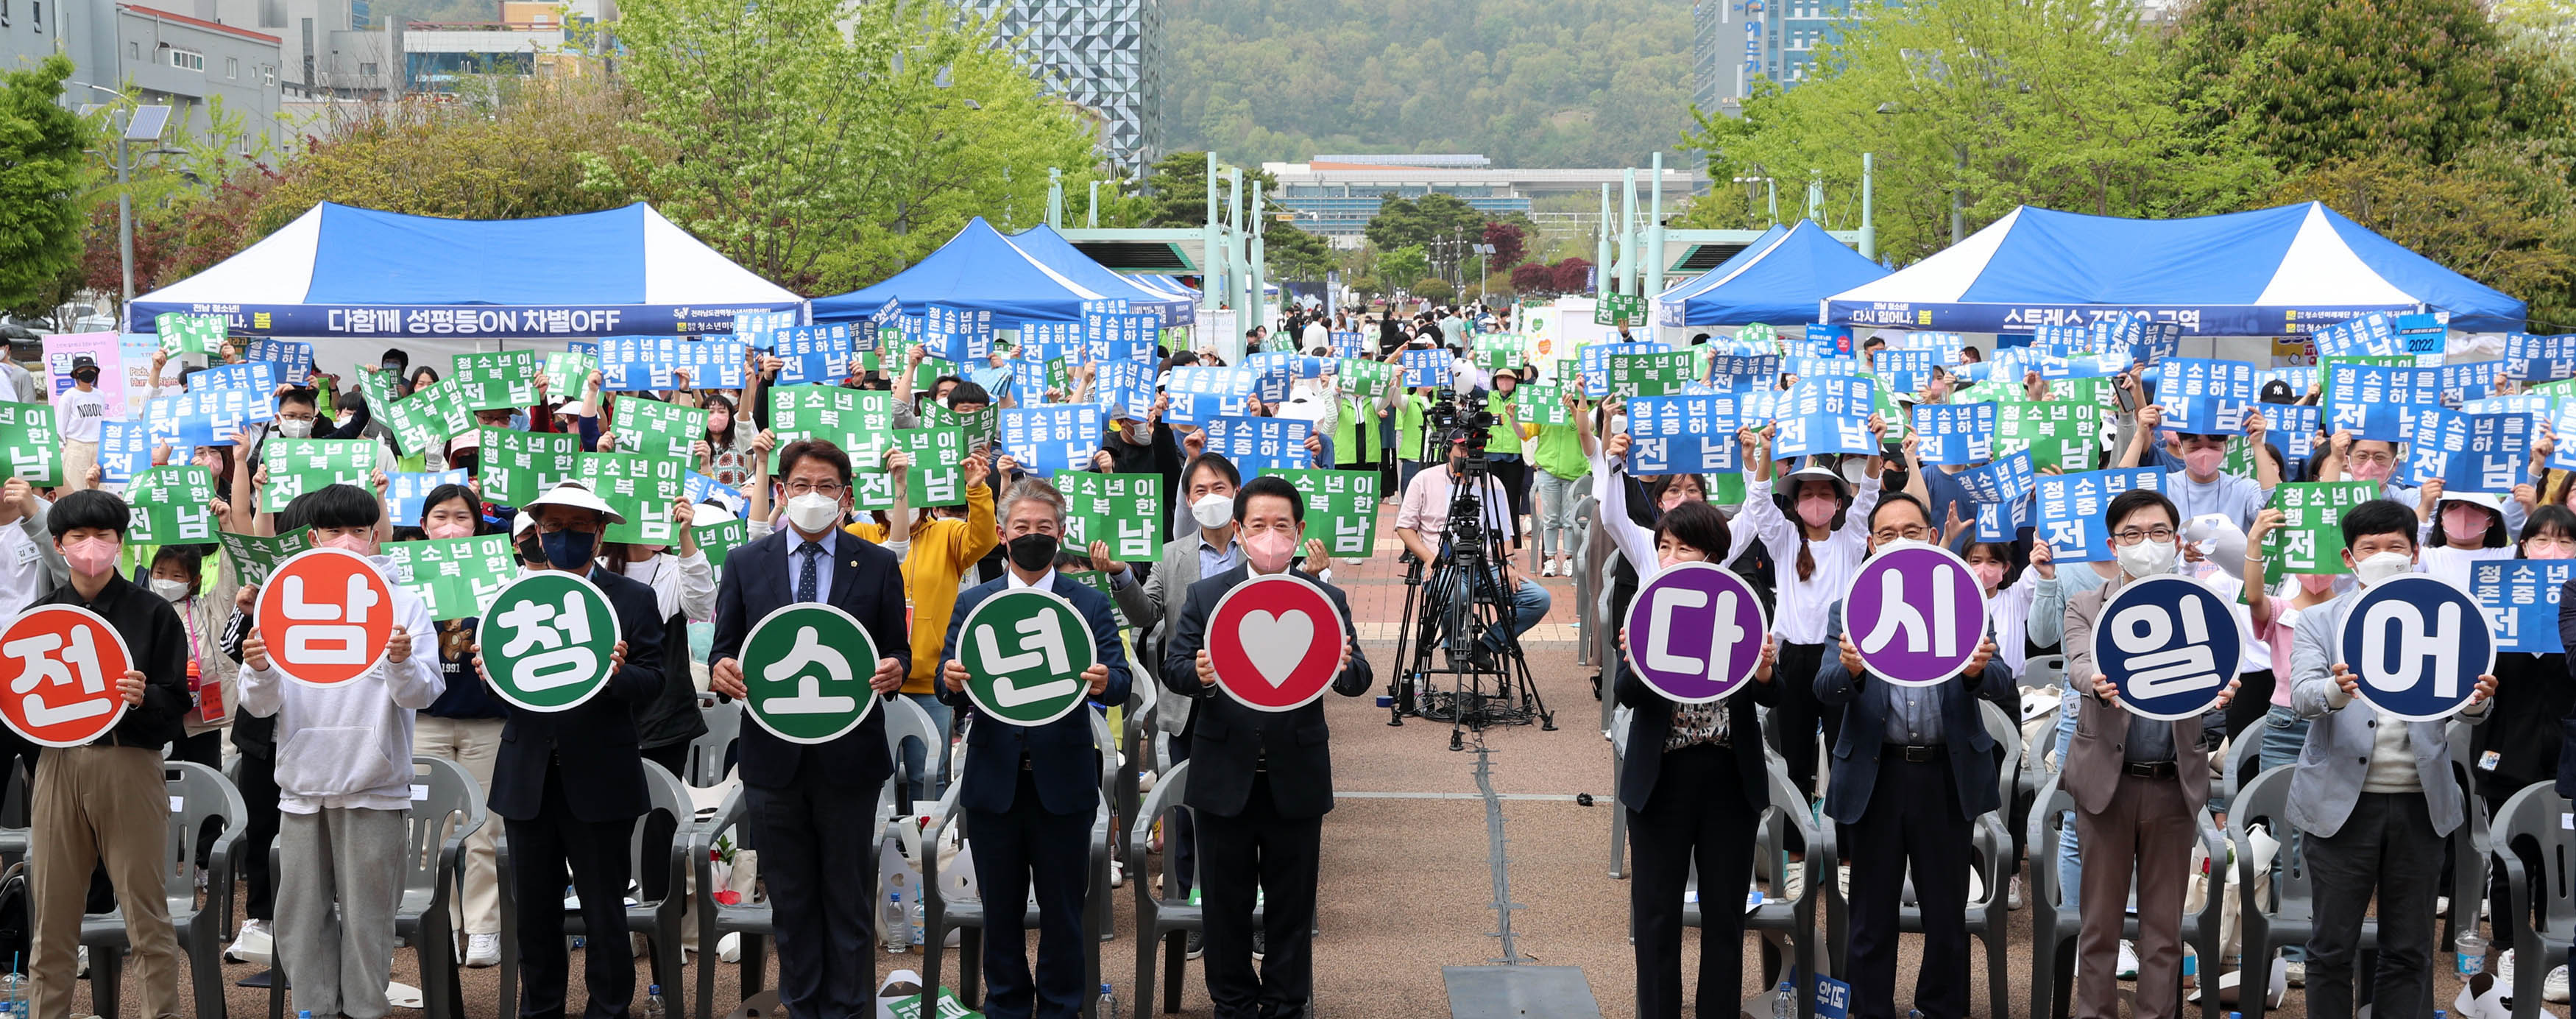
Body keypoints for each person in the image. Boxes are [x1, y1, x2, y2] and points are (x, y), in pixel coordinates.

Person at [709, 437, 910, 1019]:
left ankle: (848, 1010)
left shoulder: (875, 562)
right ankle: (800, 1007)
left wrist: (896, 667)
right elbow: (727, 651)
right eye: (801, 485)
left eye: (826, 487)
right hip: (773, 760)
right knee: (792, 902)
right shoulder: (747, 563)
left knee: (845, 900)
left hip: (848, 760)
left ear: (846, 497)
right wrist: (724, 670)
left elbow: (897, 651)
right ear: (781, 491)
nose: (813, 497)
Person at [1162, 475, 1372, 1019]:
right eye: (1258, 525)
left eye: (1283, 526)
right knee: (1225, 907)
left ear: (1300, 532)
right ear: (1238, 530)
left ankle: (1284, 1003)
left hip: (1295, 776)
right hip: (1223, 776)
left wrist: (1347, 666)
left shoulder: (1325, 598)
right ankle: (1231, 1004)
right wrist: (1201, 675)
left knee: (1291, 907)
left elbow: (1358, 678)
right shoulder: (1208, 595)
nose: (1271, 536)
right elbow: (1176, 667)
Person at [1590, 435, 1780, 1019]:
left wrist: (1768, 671)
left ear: (1714, 553)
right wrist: (1636, 653)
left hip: (1729, 776)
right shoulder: (1648, 604)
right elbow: (1624, 694)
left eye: (1685, 548)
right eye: (1665, 547)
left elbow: (1770, 692)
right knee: (1656, 917)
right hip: (1661, 774)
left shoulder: (1742, 601)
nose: (1672, 558)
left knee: (1725, 917)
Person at [2287, 497, 2498, 1019]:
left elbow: (2464, 714)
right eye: (2371, 548)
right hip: (2340, 806)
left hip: (2421, 806)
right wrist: (2336, 691)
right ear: (2349, 557)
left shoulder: (2447, 614)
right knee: (2331, 946)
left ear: (2416, 552)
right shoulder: (2319, 619)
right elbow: (2302, 696)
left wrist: (2478, 703)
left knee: (2409, 949)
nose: (2384, 555)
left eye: (2395, 547)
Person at [238, 484, 444, 1019]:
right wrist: (259, 669)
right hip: (302, 788)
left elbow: (423, 692)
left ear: (375, 534)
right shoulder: (280, 598)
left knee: (369, 921)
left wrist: (400, 661)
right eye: (334, 531)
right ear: (313, 537)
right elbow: (258, 704)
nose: (347, 540)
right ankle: (312, 1012)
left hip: (374, 787)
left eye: (359, 529)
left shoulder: (403, 603)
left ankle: (366, 1012)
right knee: (300, 919)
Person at [1814, 492, 2014, 1019]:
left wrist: (1976, 671)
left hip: (1946, 777)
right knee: (1869, 918)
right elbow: (1824, 686)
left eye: (1910, 530)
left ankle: (1940, 1009)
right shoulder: (1851, 604)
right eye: (1886, 533)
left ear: (1930, 536)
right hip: (1876, 777)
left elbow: (2002, 680)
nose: (1898, 541)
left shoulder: (1962, 595)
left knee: (1947, 918)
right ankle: (1869, 1010)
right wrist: (1851, 670)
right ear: (1871, 543)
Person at [938, 479, 1131, 1019]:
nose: (1032, 536)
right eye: (1021, 527)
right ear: (1002, 534)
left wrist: (1102, 682)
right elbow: (943, 682)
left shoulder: (1086, 601)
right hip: (994, 782)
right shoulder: (975, 602)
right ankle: (1006, 1006)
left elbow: (1120, 680)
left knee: (1064, 912)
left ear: (1062, 533)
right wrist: (950, 681)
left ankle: (1062, 1008)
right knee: (999, 911)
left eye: (1044, 528)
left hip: (1063, 783)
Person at [481, 479, 665, 1019]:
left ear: (600, 532)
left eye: (579, 527)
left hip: (602, 775)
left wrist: (612, 675)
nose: (564, 537)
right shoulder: (512, 599)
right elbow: (505, 693)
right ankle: (541, 1010)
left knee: (606, 909)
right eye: (554, 527)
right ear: (536, 532)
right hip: (528, 776)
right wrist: (491, 677)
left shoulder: (632, 598)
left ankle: (608, 1009)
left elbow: (653, 680)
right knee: (534, 912)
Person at [2061, 488, 2239, 1019]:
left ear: (2177, 541)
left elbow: (2222, 672)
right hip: (2105, 785)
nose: (2147, 544)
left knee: (2164, 930)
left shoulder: (2202, 607)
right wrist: (2093, 681)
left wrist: (2221, 694)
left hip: (2173, 784)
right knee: (2099, 927)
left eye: (2158, 533)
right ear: (2114, 545)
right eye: (2133, 535)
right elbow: (2075, 664)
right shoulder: (2085, 604)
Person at [24, 490, 191, 1019]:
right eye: (78, 536)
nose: (91, 547)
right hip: (57, 763)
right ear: (58, 544)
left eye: (104, 536)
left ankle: (158, 1013)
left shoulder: (155, 614)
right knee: (51, 917)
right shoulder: (37, 618)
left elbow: (177, 707)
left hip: (130, 762)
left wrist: (147, 698)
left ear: (120, 543)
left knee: (146, 913)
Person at [1742, 421, 1886, 800]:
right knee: (1795, 752)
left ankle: (1847, 846)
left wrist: (1875, 446)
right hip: (1794, 658)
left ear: (1839, 503)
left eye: (1826, 494)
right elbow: (1758, 502)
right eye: (1808, 494)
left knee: (1844, 749)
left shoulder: (1849, 539)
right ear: (1796, 503)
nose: (1817, 502)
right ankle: (1795, 846)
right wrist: (1766, 452)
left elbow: (1869, 493)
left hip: (1840, 656)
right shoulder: (1785, 538)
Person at [846, 446, 997, 802]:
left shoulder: (947, 533)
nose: (903, 495)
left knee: (927, 779)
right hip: (873, 680)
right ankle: (878, 852)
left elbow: (984, 540)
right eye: (896, 485)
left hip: (930, 681)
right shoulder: (862, 535)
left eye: (913, 486)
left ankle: (926, 854)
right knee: (873, 781)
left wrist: (976, 488)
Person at [406, 483, 511, 967]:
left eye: (462, 518)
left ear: (479, 525)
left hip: (487, 721)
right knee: (429, 834)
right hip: (425, 721)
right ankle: (441, 925)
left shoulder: (498, 572)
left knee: (486, 828)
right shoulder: (405, 575)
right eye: (441, 517)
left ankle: (485, 927)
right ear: (424, 526)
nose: (451, 527)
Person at [1393, 429, 1550, 671]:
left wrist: (1509, 565)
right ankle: (1454, 646)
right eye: (1463, 449)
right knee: (1458, 593)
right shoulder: (1424, 479)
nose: (1469, 455)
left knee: (1538, 599)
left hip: (1488, 566)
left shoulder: (1493, 483)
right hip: (1444, 565)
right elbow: (1404, 527)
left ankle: (1487, 645)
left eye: (1475, 449)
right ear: (1449, 451)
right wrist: (1428, 557)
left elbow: (1505, 532)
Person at [52, 355, 110, 493]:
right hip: (76, 446)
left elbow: (101, 421)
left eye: (91, 369)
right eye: (84, 369)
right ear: (77, 373)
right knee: (75, 488)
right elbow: (60, 425)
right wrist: (61, 447)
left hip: (97, 446)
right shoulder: (69, 396)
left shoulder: (100, 395)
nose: (88, 372)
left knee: (99, 489)